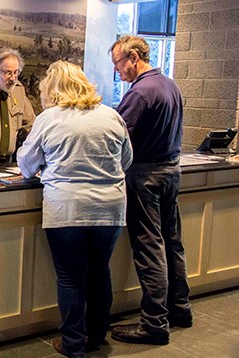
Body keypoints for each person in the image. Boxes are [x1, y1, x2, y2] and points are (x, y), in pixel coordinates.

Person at [17, 60, 133, 358]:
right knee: (99, 273)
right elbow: (127, 160)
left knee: (70, 278)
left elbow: (27, 165)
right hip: (109, 209)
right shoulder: (111, 116)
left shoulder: (50, 118)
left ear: (52, 89)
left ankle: (72, 344)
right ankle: (95, 337)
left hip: (66, 208)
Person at [109, 35, 193, 346]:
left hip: (144, 176)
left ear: (132, 57)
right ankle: (179, 309)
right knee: (172, 243)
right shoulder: (170, 85)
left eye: (118, 63)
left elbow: (119, 140)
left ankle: (155, 323)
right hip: (172, 171)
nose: (118, 71)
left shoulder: (139, 93)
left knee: (149, 248)